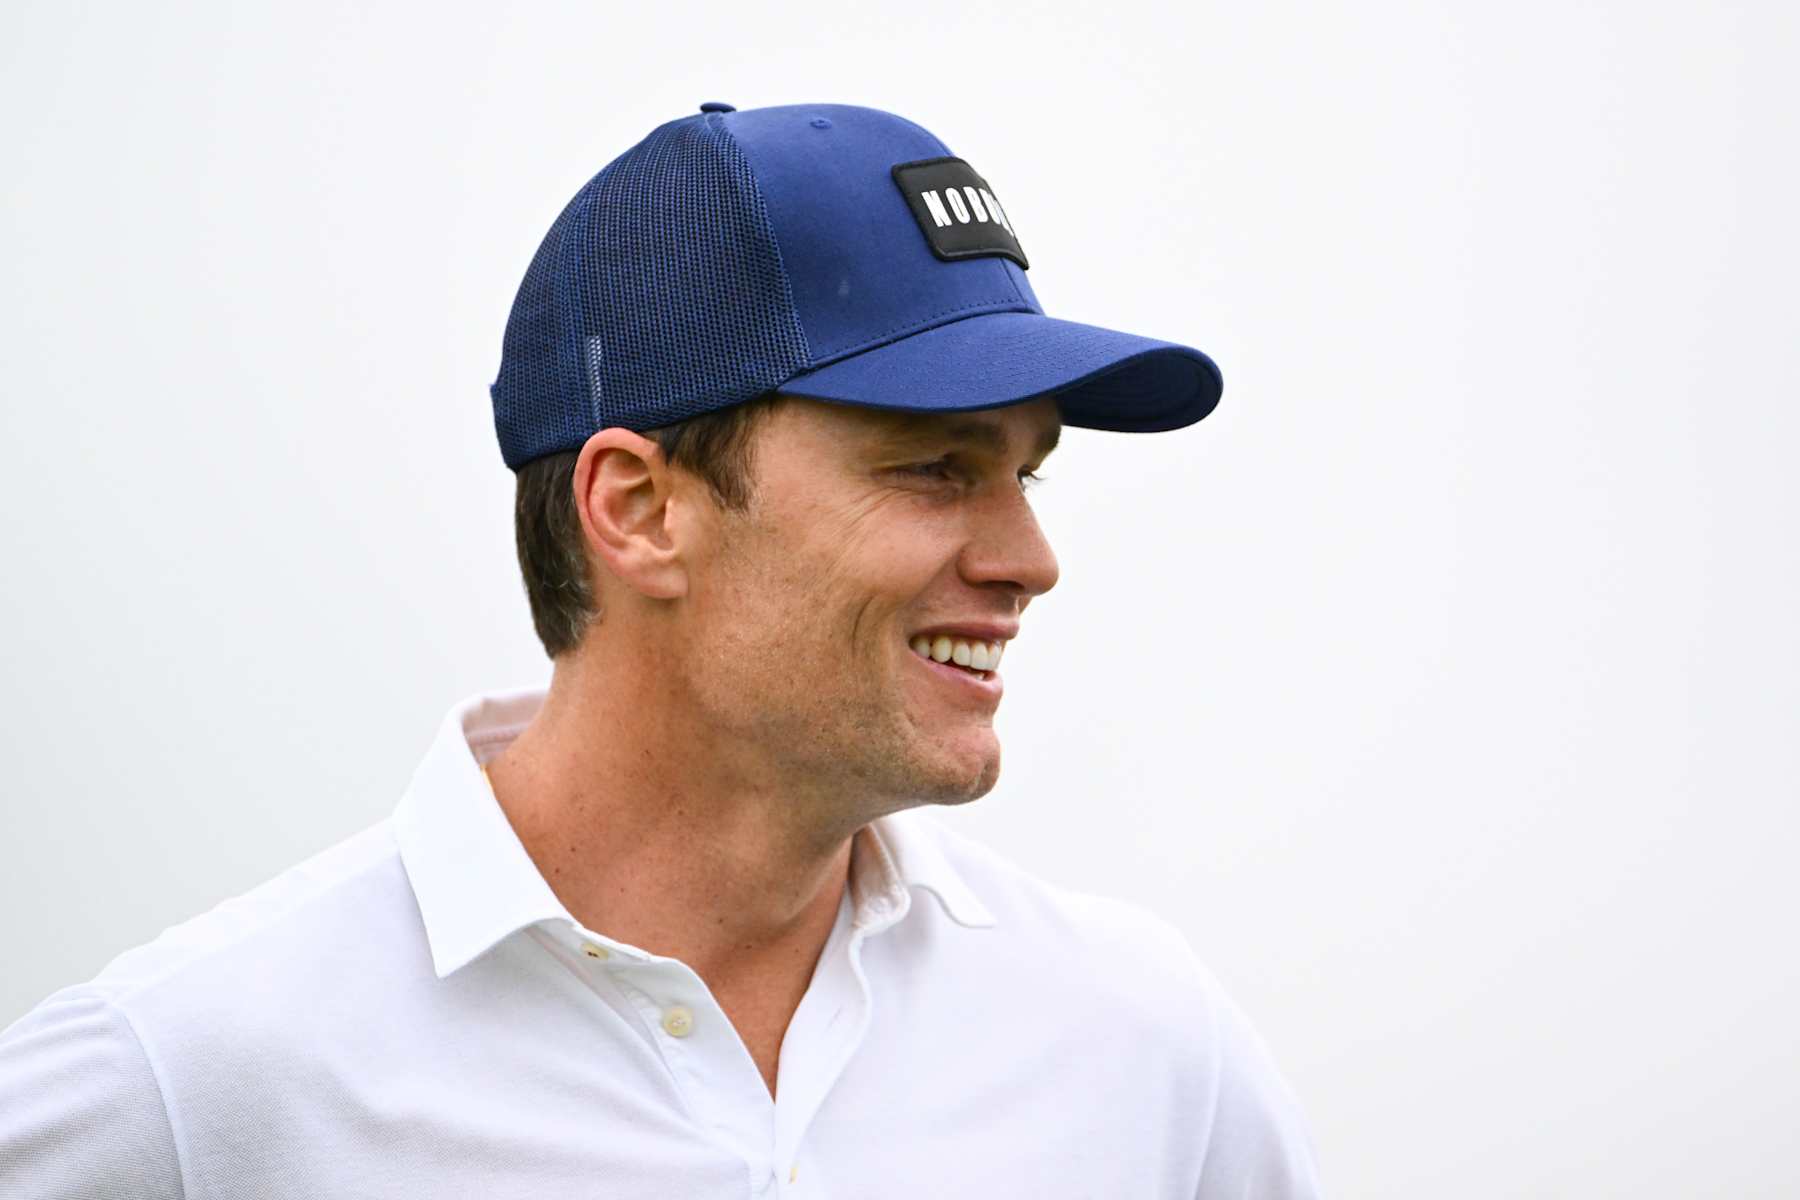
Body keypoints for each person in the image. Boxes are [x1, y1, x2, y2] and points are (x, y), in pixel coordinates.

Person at [0, 101, 1323, 1197]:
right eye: (935, 466)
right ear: (638, 510)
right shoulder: (202, 1079)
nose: (1028, 560)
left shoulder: (1142, 1051)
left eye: (1028, 475)